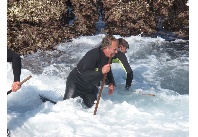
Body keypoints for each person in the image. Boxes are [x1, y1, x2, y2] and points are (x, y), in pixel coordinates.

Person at [63, 35, 118, 108]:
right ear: (106, 48)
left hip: (90, 87)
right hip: (76, 83)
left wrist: (111, 83)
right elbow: (85, 74)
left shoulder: (110, 55)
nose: (116, 52)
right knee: (66, 107)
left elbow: (108, 70)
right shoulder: (93, 55)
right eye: (115, 49)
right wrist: (100, 71)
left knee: (93, 109)